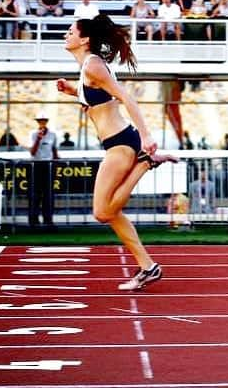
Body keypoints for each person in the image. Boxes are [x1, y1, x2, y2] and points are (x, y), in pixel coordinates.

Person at [55, 15, 176, 290]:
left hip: (121, 144)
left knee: (102, 212)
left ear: (84, 39)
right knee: (111, 212)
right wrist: (72, 91)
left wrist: (146, 136)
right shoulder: (89, 66)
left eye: (70, 31)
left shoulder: (94, 66)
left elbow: (126, 98)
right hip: (118, 142)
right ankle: (148, 267)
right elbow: (100, 99)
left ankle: (145, 163)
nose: (66, 35)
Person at [28, 112, 58, 228]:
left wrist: (56, 164)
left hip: (48, 165)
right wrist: (38, 139)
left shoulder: (52, 134)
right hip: (36, 164)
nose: (42, 123)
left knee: (48, 194)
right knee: (35, 194)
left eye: (44, 120)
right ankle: (33, 220)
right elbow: (32, 152)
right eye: (40, 121)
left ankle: (48, 219)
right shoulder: (33, 134)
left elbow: (54, 150)